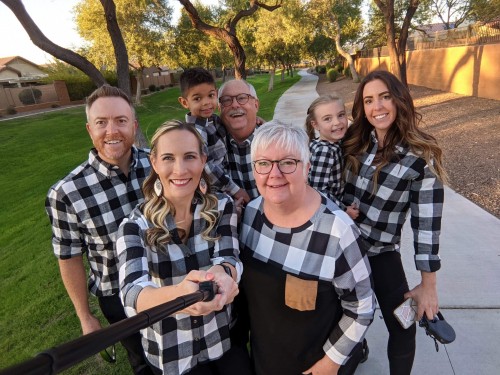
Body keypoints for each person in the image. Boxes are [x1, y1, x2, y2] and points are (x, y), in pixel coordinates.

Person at [239, 121, 375, 375]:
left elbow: (362, 307)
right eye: (264, 163)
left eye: (288, 162)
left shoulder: (337, 231)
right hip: (265, 360)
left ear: (307, 168)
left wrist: (332, 362)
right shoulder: (251, 214)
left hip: (316, 365)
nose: (274, 174)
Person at [117, 120, 251, 375]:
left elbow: (229, 257)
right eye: (168, 158)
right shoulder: (134, 226)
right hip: (173, 355)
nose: (180, 169)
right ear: (154, 163)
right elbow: (132, 294)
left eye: (189, 157)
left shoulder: (222, 206)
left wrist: (224, 276)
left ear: (203, 160)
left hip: (222, 340)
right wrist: (179, 296)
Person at [342, 70, 448, 375]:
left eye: (385, 97)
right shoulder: (353, 141)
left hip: (380, 253)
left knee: (403, 327)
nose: (377, 107)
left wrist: (428, 286)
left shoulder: (420, 157)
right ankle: (358, 349)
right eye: (369, 100)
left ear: (399, 99)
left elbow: (426, 226)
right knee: (339, 325)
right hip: (340, 253)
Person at [45, 85, 154, 374]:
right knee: (143, 362)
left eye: (120, 120)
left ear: (134, 125)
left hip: (169, 278)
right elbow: (69, 257)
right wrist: (85, 316)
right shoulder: (66, 193)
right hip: (116, 297)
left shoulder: (160, 164)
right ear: (89, 129)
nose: (112, 131)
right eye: (101, 122)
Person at [178, 68, 248, 204]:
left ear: (216, 94)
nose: (206, 102)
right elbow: (206, 167)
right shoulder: (194, 133)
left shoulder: (214, 120)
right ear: (185, 102)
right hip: (214, 192)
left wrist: (255, 119)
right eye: (197, 98)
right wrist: (235, 190)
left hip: (227, 180)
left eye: (210, 96)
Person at [305, 94, 359, 220]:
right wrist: (344, 209)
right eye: (327, 119)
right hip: (327, 212)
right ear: (316, 125)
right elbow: (318, 192)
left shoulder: (334, 142)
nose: (337, 122)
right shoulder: (324, 152)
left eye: (341, 115)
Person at [217, 79, 261, 202]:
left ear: (256, 105)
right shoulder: (212, 146)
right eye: (226, 100)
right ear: (219, 109)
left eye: (242, 98)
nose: (235, 105)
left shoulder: (276, 142)